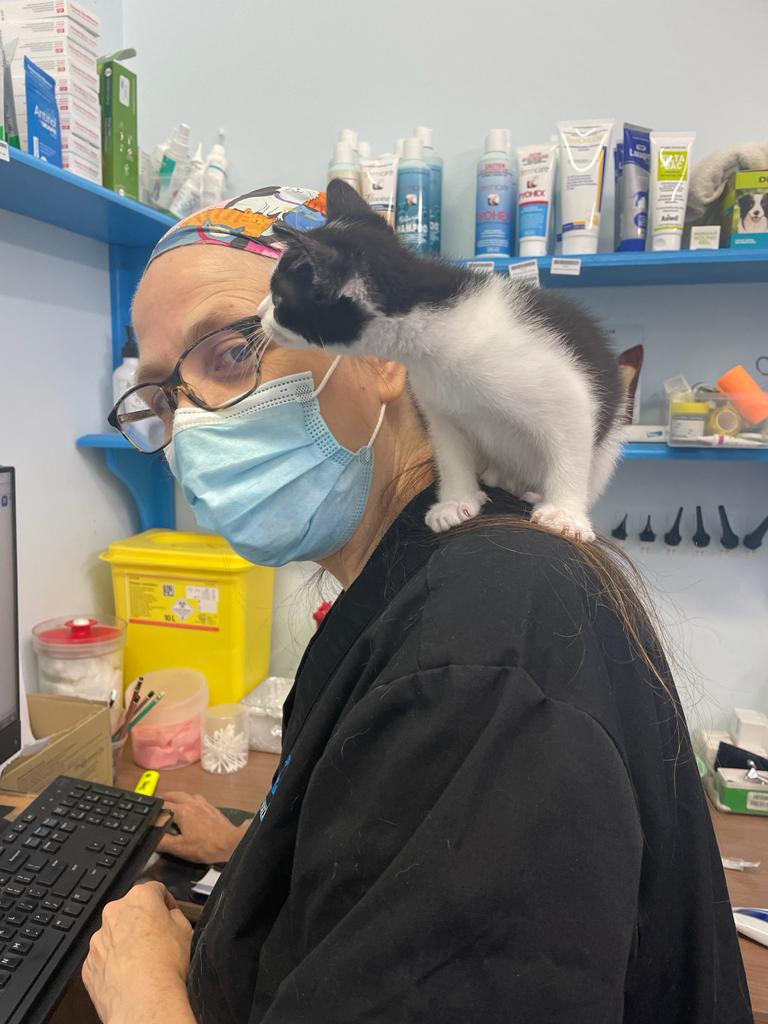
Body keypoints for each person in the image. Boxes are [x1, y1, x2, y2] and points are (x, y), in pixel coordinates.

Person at [83, 186, 752, 1024]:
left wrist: (141, 996)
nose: (190, 428)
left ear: (379, 352)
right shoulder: (438, 576)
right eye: (162, 396)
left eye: (234, 351)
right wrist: (261, 854)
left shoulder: (482, 651)